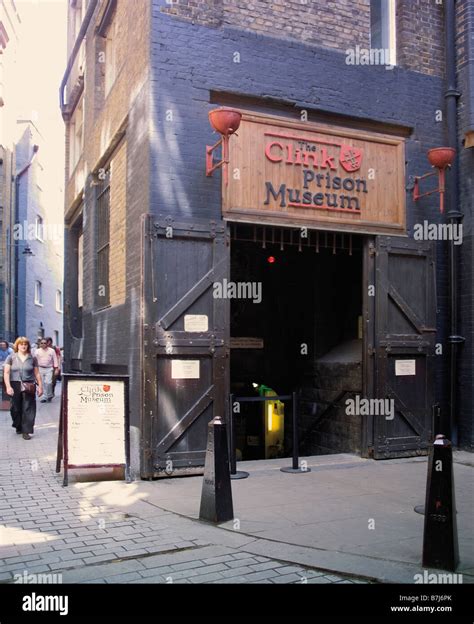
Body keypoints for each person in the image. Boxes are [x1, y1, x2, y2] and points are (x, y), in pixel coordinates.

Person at [4, 337, 43, 439]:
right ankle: (18, 425)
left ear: (28, 346)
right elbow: (6, 372)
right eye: (21, 344)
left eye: (25, 344)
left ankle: (26, 431)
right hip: (15, 384)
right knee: (15, 408)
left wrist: (40, 387)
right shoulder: (11, 357)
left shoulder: (32, 358)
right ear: (17, 346)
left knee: (28, 408)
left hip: (28, 385)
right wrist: (8, 386)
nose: (23, 346)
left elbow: (37, 373)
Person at [34, 339, 59, 403]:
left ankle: (49, 395)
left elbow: (55, 359)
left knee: (48, 382)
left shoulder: (52, 351)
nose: (43, 344)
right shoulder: (37, 351)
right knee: (42, 383)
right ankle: (45, 397)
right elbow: (34, 360)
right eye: (41, 343)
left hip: (49, 368)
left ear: (47, 344)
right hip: (40, 368)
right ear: (40, 344)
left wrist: (56, 369)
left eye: (44, 343)